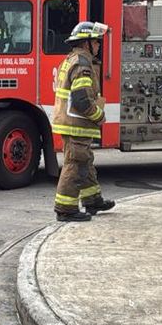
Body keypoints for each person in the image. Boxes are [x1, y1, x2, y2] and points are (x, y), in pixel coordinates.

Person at [51, 21, 116, 222]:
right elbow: (81, 99)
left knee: (84, 161)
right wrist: (99, 116)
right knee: (75, 164)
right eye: (96, 42)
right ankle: (65, 209)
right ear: (86, 43)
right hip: (76, 124)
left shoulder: (72, 59)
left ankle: (92, 200)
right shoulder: (83, 63)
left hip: (72, 123)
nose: (98, 46)